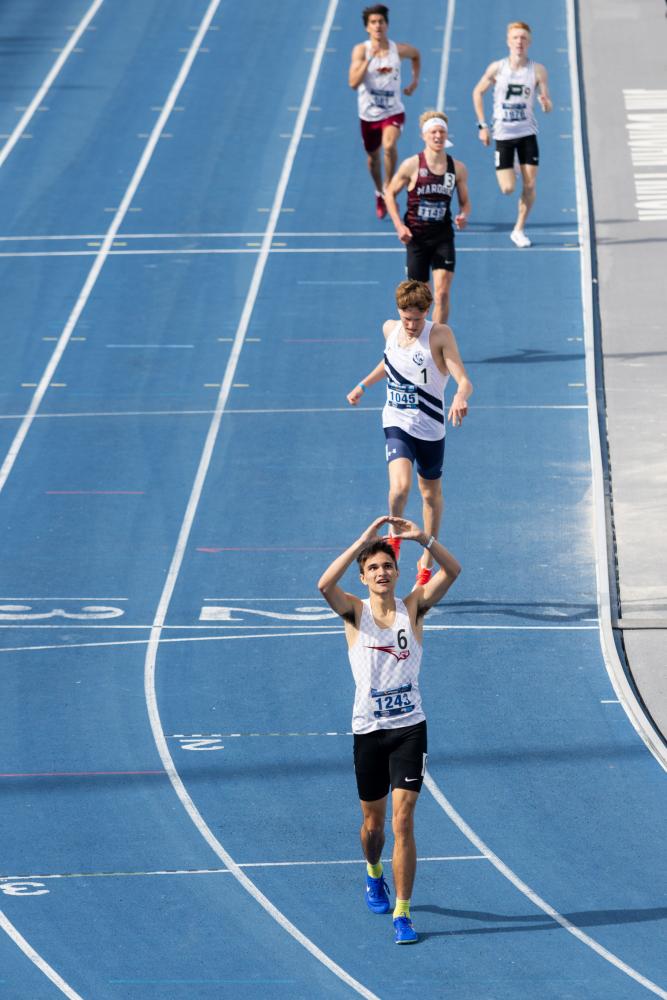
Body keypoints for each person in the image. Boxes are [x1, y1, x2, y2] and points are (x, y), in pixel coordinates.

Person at [317, 514, 461, 944]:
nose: (381, 572)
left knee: (403, 821)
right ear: (363, 577)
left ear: (397, 573)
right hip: (368, 732)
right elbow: (324, 585)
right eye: (373, 568)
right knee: (373, 826)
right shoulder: (353, 612)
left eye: (387, 566)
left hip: (409, 730)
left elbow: (453, 570)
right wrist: (361, 540)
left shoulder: (412, 608)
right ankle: (373, 870)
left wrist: (423, 538)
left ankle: (403, 912)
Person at [346, 280, 472, 586]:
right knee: (400, 489)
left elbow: (464, 380)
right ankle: (395, 536)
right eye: (406, 319)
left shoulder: (439, 335)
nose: (411, 325)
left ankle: (427, 559)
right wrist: (363, 385)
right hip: (397, 421)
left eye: (417, 319)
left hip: (430, 429)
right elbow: (390, 363)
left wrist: (460, 396)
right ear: (398, 312)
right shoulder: (390, 329)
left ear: (426, 312)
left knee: (430, 495)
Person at [384, 110, 471, 323]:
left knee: (442, 294)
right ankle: (422, 336)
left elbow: (465, 202)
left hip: (442, 236)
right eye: (433, 132)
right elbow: (389, 193)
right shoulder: (412, 165)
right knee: (421, 299)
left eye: (442, 132)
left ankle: (437, 339)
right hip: (417, 239)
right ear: (424, 135)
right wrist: (399, 226)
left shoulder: (457, 168)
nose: (438, 136)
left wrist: (463, 215)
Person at [472, 20, 552, 247]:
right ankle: (514, 164)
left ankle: (519, 229)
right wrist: (482, 125)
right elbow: (477, 92)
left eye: (523, 38)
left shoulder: (538, 70)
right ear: (508, 41)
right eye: (515, 38)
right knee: (507, 189)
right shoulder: (497, 68)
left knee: (530, 185)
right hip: (504, 136)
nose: (519, 42)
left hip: (527, 134)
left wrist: (545, 103)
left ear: (529, 42)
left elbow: (548, 106)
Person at [349, 5, 421, 219]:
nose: (377, 26)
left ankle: (389, 189)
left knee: (389, 146)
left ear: (387, 25)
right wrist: (368, 61)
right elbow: (353, 83)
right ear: (367, 28)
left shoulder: (398, 50)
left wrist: (414, 81)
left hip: (393, 112)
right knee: (373, 159)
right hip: (368, 114)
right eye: (373, 22)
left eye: (381, 21)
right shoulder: (360, 51)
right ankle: (379, 192)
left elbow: (416, 55)